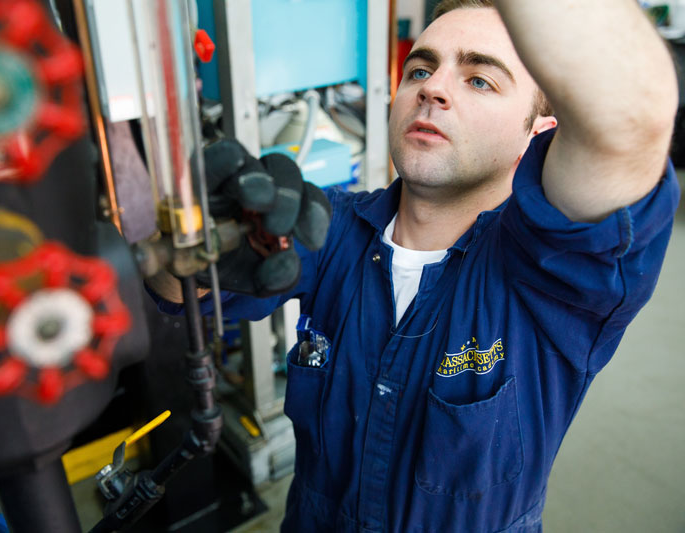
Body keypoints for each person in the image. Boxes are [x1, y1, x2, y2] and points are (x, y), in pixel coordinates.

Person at [148, 0, 681, 530]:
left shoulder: (550, 278)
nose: (432, 88)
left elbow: (631, 119)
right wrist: (188, 251)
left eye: (479, 80)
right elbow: (175, 294)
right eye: (421, 69)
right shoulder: (333, 227)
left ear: (538, 133)